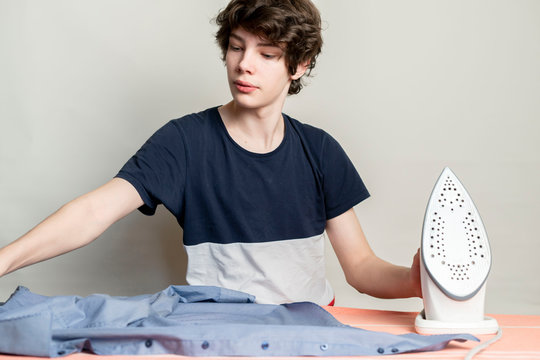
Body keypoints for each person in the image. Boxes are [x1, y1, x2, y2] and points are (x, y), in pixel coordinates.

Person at [0, 0, 421, 305]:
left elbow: (362, 269)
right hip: (215, 334)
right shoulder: (184, 141)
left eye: (267, 54)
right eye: (237, 47)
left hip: (310, 334)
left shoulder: (320, 150)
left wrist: (418, 282)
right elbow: (93, 211)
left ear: (300, 64)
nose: (244, 65)